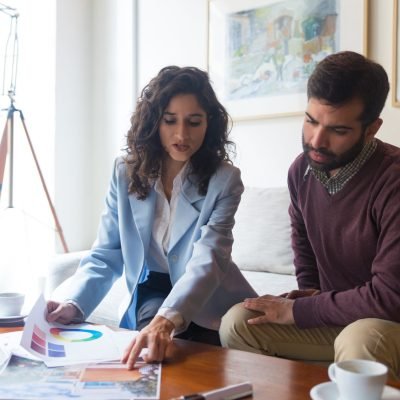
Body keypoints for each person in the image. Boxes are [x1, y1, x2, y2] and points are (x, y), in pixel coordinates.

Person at [46, 66, 257, 368]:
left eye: (193, 122)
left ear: (208, 125)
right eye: (170, 120)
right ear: (153, 121)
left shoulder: (224, 180)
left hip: (209, 295)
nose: (182, 134)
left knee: (210, 364)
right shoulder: (124, 172)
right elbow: (107, 253)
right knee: (153, 355)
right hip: (153, 290)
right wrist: (73, 303)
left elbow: (209, 259)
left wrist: (169, 318)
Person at [219, 51, 400, 380]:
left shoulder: (394, 180)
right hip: (340, 319)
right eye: (311, 120)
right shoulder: (302, 171)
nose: (316, 141)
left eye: (338, 130)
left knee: (358, 339)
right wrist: (308, 299)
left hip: (389, 325)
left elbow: (389, 298)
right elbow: (305, 254)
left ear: (372, 128)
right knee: (238, 322)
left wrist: (299, 310)